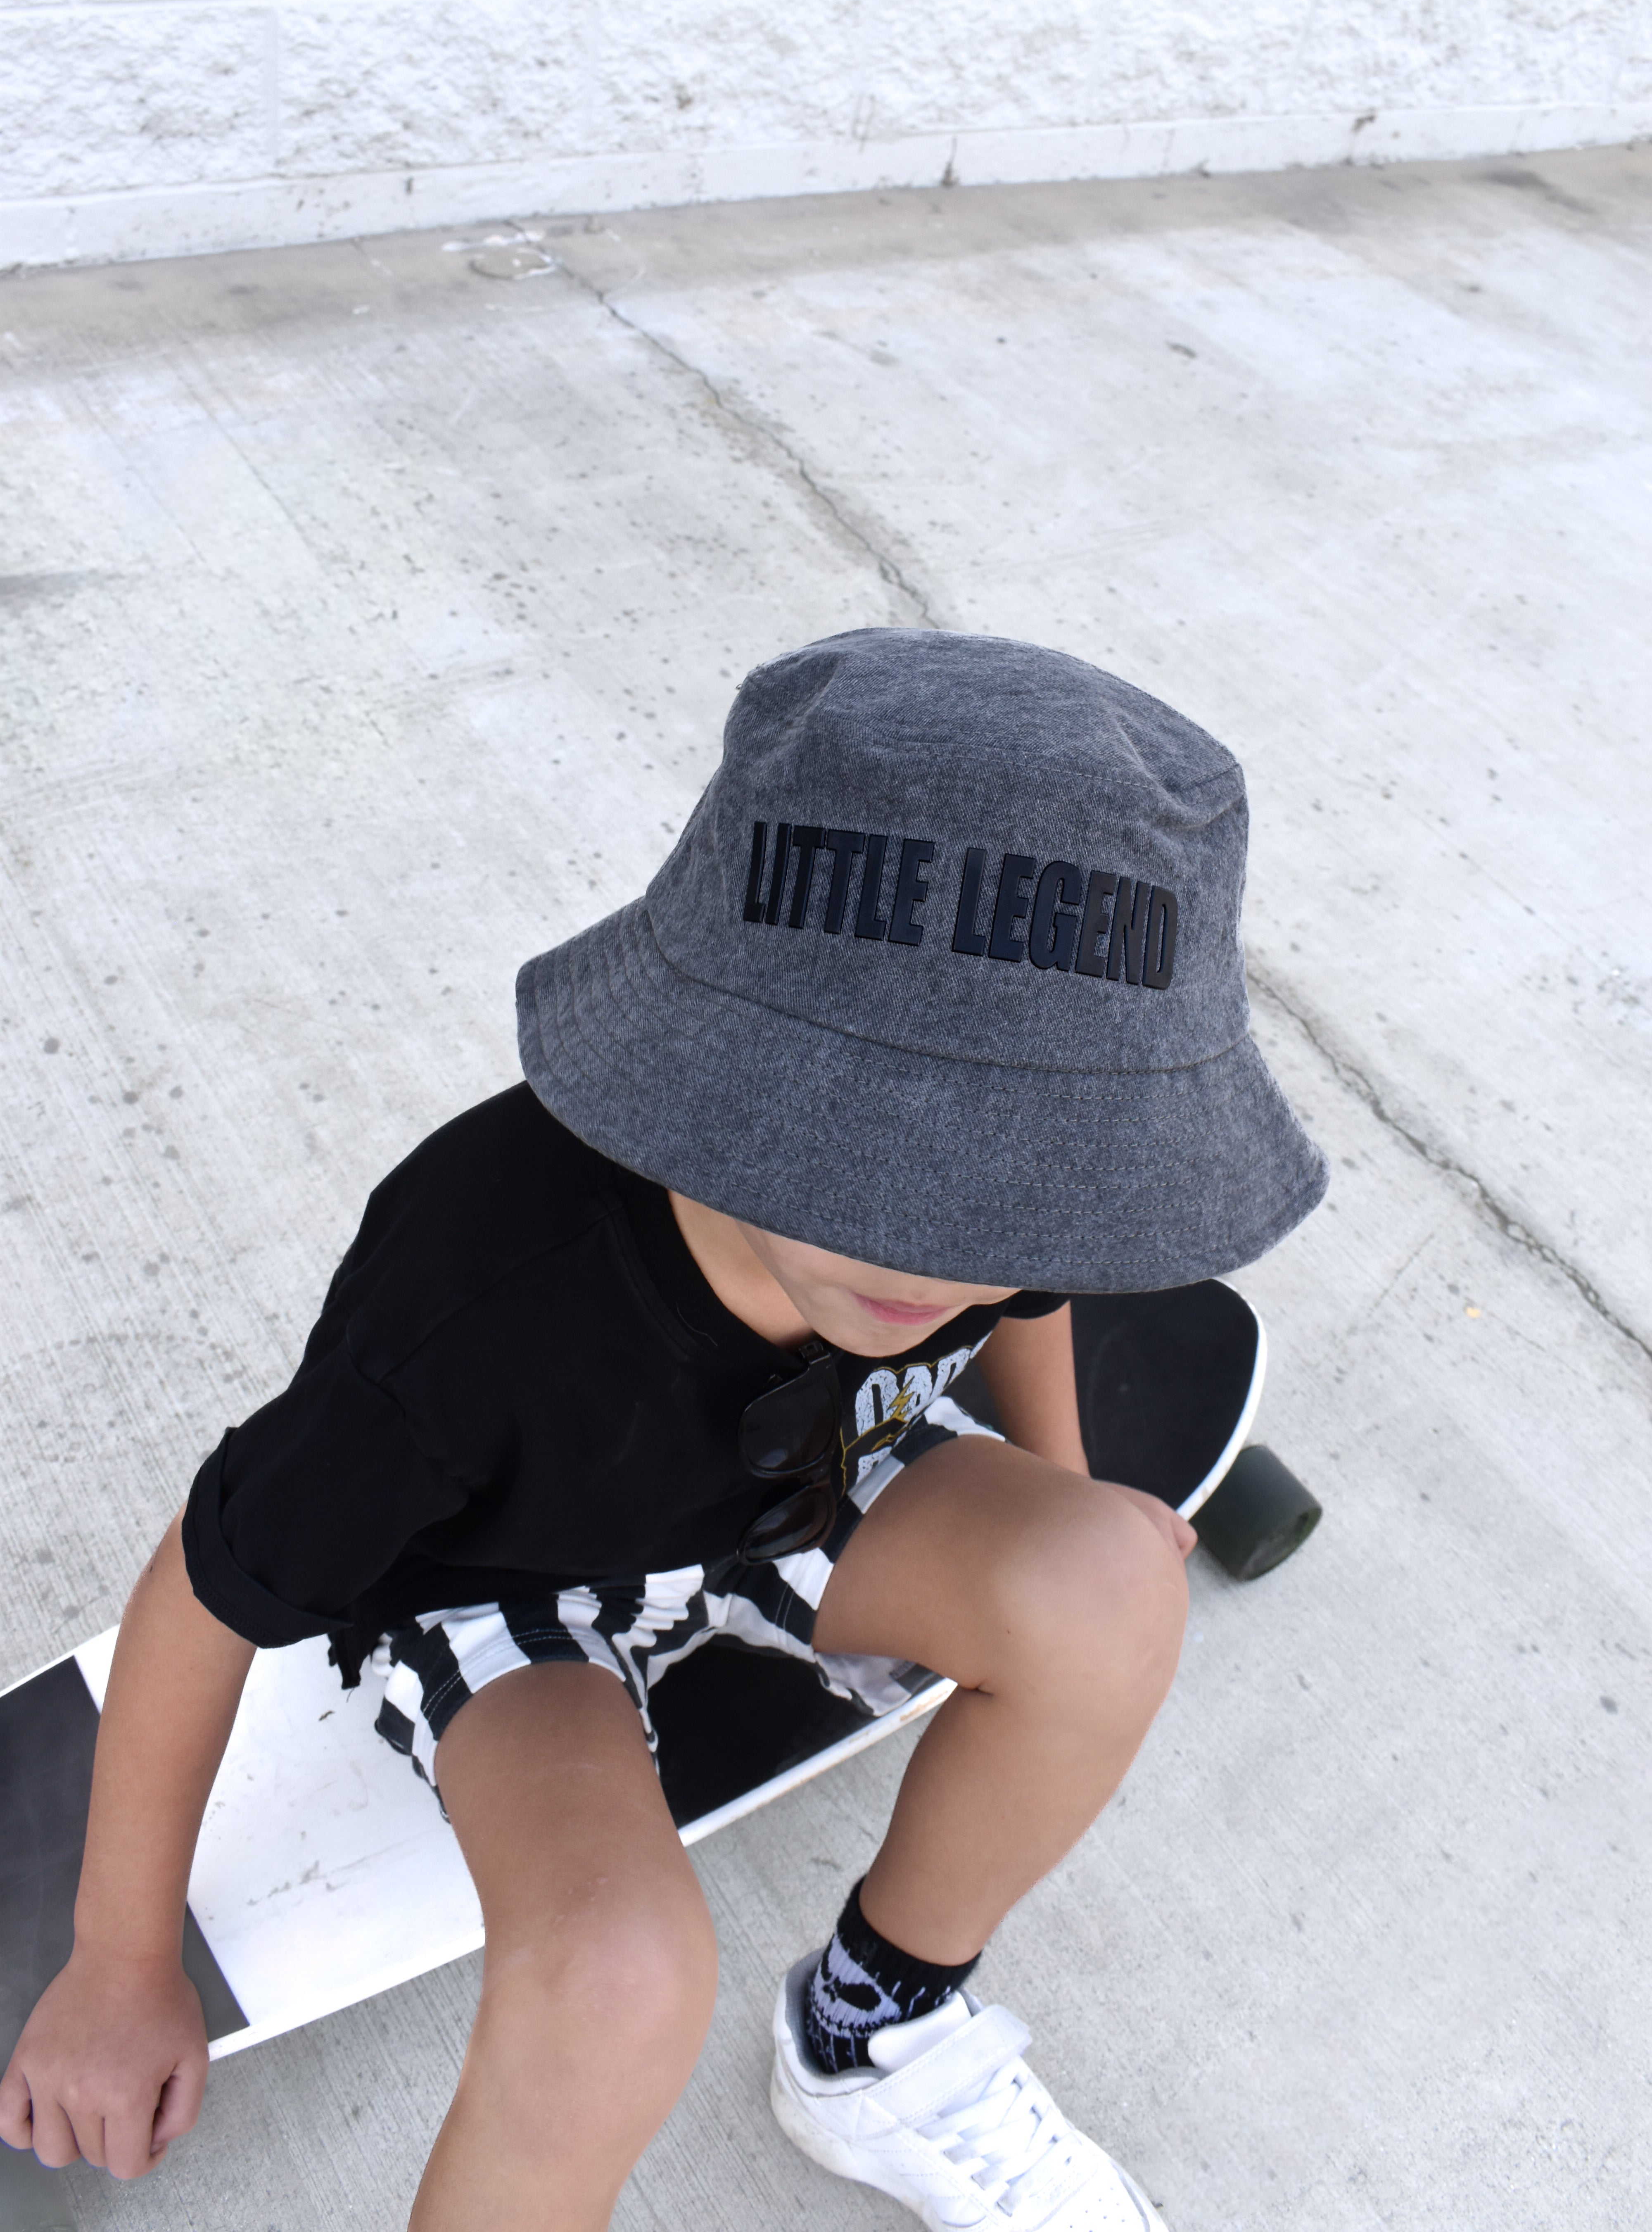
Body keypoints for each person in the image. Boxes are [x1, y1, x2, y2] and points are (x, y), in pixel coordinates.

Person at [0, 628, 1326, 2231]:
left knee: (1113, 1585)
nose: (928, 1253)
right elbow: (209, 1587)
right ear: (704, 1053)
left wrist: (1059, 1493)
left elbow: (1031, 1293)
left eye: (1010, 1186)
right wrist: (120, 1958)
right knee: (619, 1983)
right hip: (512, 1588)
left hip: (811, 1480)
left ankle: (870, 2033)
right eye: (841, 1153)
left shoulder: (1003, 1217)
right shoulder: (470, 1305)